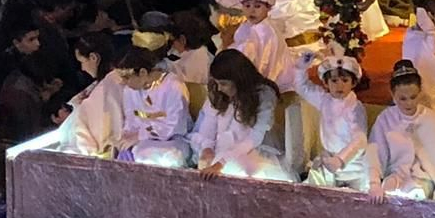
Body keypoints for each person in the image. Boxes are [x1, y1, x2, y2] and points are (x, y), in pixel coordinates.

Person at [371, 60, 435, 200]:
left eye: (413, 97)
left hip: (425, 175)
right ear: (393, 95)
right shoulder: (386, 119)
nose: (409, 103)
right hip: (398, 173)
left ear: (420, 92)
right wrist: (374, 181)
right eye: (402, 99)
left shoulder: (432, 117)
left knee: (417, 195)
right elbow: (375, 152)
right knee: (388, 192)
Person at [192, 49, 291, 181]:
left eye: (224, 84)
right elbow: (209, 123)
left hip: (253, 150)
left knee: (240, 170)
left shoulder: (263, 95)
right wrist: (207, 148)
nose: (219, 88)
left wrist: (222, 162)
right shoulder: (218, 93)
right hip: (222, 149)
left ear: (238, 80)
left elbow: (255, 138)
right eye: (217, 83)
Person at [292, 51, 377, 192]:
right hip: (329, 163)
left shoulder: (355, 107)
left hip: (354, 166)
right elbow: (303, 88)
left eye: (345, 81)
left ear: (353, 82)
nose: (340, 86)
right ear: (326, 82)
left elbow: (360, 139)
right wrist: (301, 69)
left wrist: (341, 159)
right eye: (334, 81)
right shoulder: (324, 100)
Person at [114, 46, 192, 168]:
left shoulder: (174, 86)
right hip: (142, 142)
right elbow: (131, 120)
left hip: (173, 142)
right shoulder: (129, 91)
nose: (123, 82)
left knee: (159, 159)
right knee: (125, 155)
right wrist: (126, 135)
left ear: (143, 73)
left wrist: (141, 135)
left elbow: (175, 126)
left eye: (126, 78)